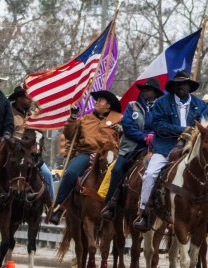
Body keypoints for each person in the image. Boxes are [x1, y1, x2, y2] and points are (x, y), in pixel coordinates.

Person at [134, 71, 208, 231]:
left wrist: (195, 133)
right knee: (150, 174)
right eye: (178, 84)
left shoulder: (201, 104)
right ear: (173, 87)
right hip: (166, 148)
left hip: (193, 149)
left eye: (185, 84)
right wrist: (181, 129)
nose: (182, 87)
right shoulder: (161, 103)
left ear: (190, 86)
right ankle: (144, 213)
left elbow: (206, 126)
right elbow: (158, 126)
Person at [49, 91, 123, 224]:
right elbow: (70, 135)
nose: (96, 102)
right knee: (71, 173)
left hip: (110, 154)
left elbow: (126, 137)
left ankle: (122, 210)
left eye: (101, 100)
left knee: (123, 176)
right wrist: (73, 118)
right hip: (87, 154)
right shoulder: (85, 119)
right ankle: (59, 207)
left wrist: (122, 131)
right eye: (97, 100)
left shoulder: (119, 119)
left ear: (109, 105)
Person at [101, 78, 163, 221]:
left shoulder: (161, 107)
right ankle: (111, 204)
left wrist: (154, 136)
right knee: (117, 170)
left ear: (155, 93)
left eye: (148, 90)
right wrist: (144, 137)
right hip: (132, 147)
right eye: (144, 89)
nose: (144, 91)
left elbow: (161, 125)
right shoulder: (132, 106)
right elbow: (128, 126)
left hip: (155, 147)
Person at [9, 85, 54, 197]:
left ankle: (50, 203)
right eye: (27, 97)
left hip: (32, 154)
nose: (30, 100)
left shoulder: (33, 115)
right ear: (18, 98)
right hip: (14, 154)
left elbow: (39, 135)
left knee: (47, 174)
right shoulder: (9, 114)